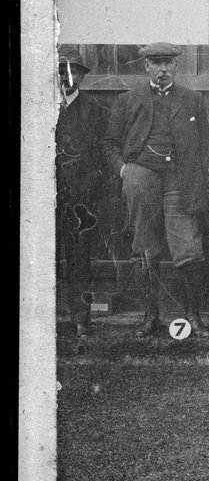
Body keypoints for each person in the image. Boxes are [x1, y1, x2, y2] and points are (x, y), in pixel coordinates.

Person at [102, 41, 209, 336]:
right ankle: (150, 316)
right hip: (142, 179)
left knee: (187, 247)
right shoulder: (128, 100)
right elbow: (109, 144)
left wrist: (203, 184)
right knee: (145, 248)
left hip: (180, 181)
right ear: (146, 66)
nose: (163, 69)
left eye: (168, 63)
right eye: (156, 63)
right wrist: (125, 171)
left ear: (176, 65)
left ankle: (192, 315)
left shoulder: (193, 100)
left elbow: (205, 147)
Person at [55, 46, 110, 336]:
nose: (67, 76)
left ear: (82, 76)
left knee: (79, 260)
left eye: (73, 70)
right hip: (47, 198)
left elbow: (104, 152)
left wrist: (91, 185)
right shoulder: (40, 106)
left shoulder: (94, 110)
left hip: (81, 200)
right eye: (61, 70)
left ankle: (80, 320)